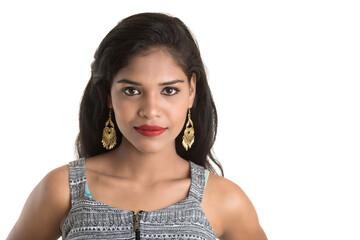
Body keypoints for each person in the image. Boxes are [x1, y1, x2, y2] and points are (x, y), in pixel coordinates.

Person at [7, 12, 267, 240]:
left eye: (169, 90)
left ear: (191, 90)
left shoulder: (226, 199)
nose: (150, 110)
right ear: (109, 94)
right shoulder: (62, 189)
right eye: (131, 90)